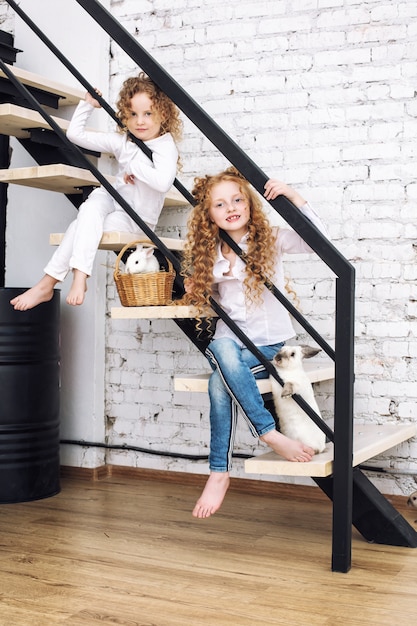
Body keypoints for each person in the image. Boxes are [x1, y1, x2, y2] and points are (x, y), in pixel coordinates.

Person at [180, 167, 328, 519]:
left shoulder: (270, 239)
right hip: (231, 345)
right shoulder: (209, 253)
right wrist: (194, 286)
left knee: (220, 382)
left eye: (237, 199)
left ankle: (221, 469)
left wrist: (292, 196)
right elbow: (205, 293)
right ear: (209, 215)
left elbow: (317, 239)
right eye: (220, 204)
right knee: (221, 346)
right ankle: (266, 435)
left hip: (269, 348)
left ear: (249, 204)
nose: (230, 207)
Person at [10, 72, 182, 311]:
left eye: (148, 114)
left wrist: (134, 167)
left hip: (134, 218)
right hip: (111, 198)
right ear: (125, 115)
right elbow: (74, 135)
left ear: (163, 113)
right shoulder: (123, 141)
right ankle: (79, 277)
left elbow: (163, 183)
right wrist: (87, 105)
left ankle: (49, 283)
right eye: (133, 114)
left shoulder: (165, 147)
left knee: (80, 225)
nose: (140, 121)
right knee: (90, 207)